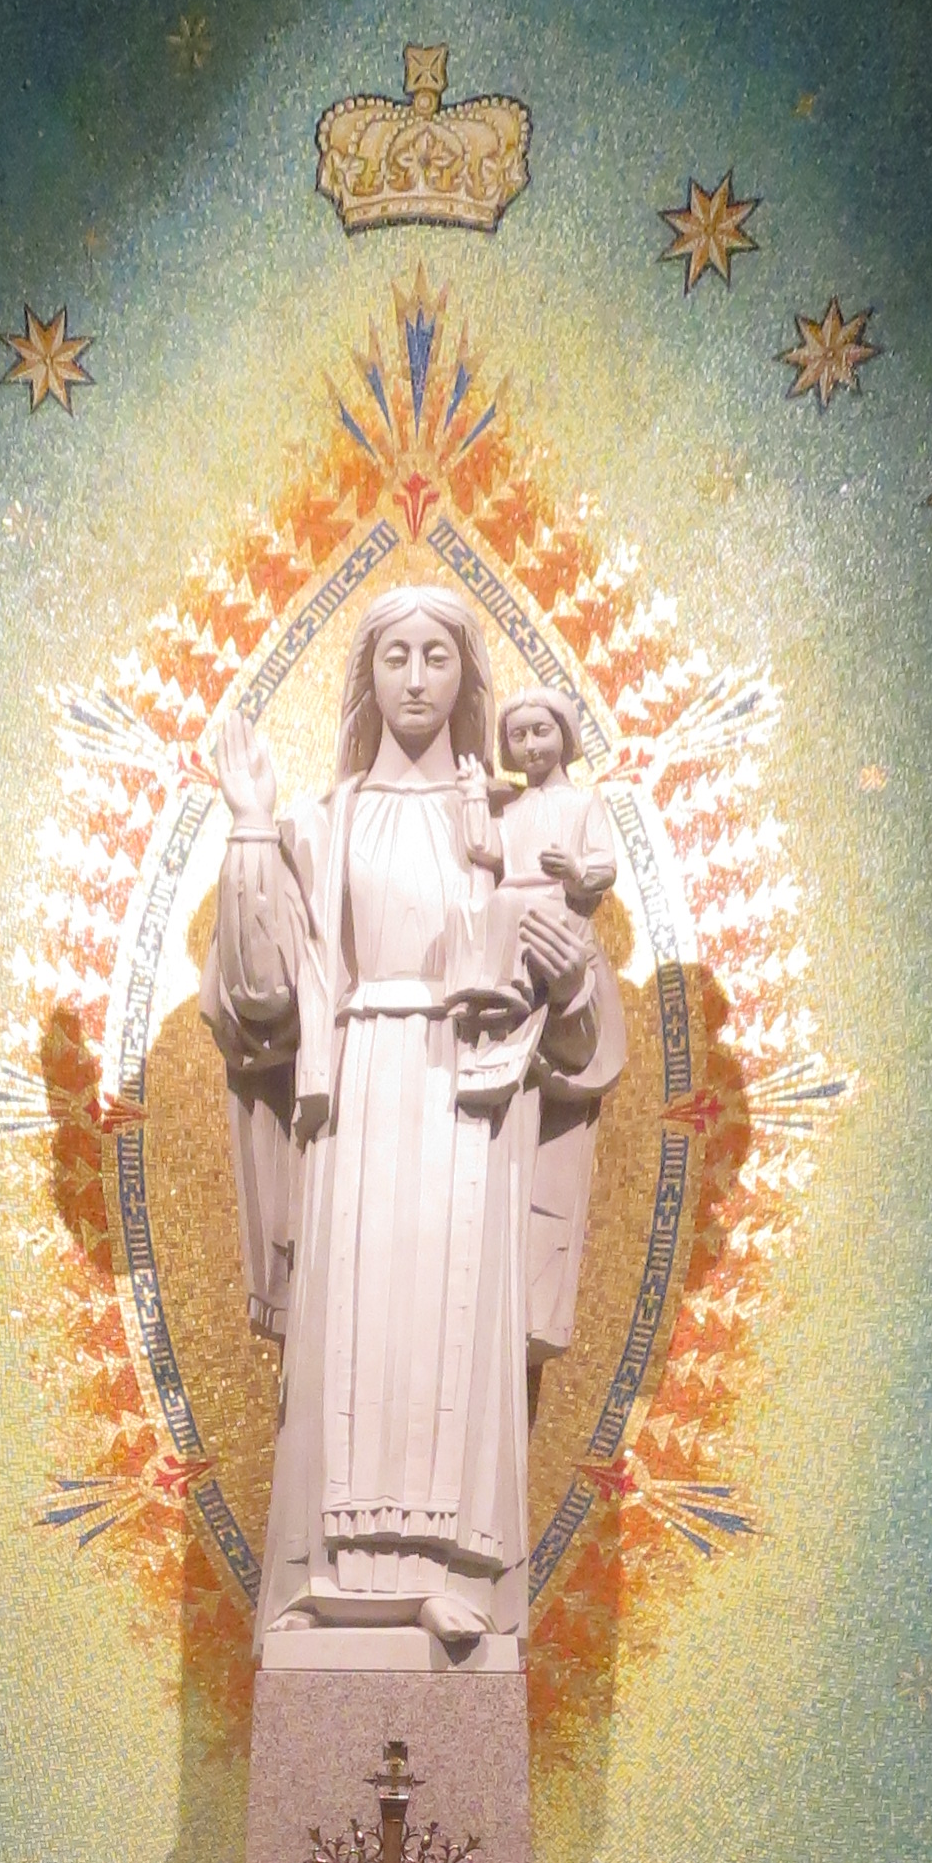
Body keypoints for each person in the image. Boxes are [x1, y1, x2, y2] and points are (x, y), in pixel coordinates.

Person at [200, 585, 613, 1659]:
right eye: (397, 657)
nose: (418, 678)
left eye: (438, 656)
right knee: (352, 1330)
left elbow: (580, 1039)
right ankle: (334, 1579)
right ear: (368, 677)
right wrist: (250, 825)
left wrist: (569, 976)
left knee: (452, 1330)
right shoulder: (320, 824)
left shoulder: (513, 826)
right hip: (357, 1093)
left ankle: (447, 1574)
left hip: (471, 1104)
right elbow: (256, 1001)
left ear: (466, 678)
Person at [489, 686, 627, 1375]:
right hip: (503, 942)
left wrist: (576, 874)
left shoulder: (580, 805)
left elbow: (601, 864)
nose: (530, 746)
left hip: (559, 934)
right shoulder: (506, 809)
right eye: (517, 736)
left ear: (564, 736)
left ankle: (531, 1308)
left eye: (541, 732)